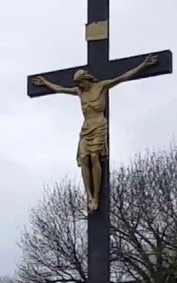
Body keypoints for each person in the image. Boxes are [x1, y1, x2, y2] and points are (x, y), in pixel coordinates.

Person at [33, 54, 158, 212]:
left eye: (81, 83)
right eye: (78, 84)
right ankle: (89, 194)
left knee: (94, 156)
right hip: (86, 128)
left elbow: (123, 77)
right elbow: (60, 89)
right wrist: (44, 82)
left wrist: (144, 65)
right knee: (84, 158)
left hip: (99, 125)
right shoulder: (80, 92)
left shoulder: (101, 86)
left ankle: (96, 196)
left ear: (87, 79)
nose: (81, 86)